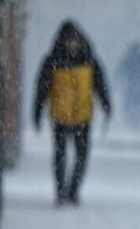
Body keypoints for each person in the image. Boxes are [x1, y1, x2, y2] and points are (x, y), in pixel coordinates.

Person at [34, 20, 111, 206]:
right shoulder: (52, 61)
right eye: (67, 40)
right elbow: (41, 90)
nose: (71, 44)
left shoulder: (90, 60)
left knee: (81, 157)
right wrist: (36, 113)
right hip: (60, 116)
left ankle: (73, 190)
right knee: (60, 157)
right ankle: (60, 192)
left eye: (73, 40)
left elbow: (101, 85)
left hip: (83, 116)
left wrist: (107, 104)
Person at [116, 41, 140, 130]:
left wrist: (119, 81)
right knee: (138, 104)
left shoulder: (129, 58)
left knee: (130, 104)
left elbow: (121, 70)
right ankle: (136, 121)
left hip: (131, 87)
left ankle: (132, 120)